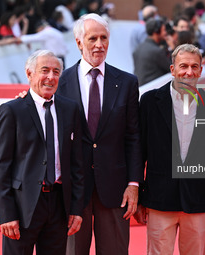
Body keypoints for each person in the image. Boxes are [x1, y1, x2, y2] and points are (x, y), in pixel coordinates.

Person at [135, 44, 205, 255]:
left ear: (201, 70)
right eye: (183, 66)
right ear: (172, 69)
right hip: (159, 201)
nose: (188, 72)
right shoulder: (149, 102)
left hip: (199, 201)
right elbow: (139, 152)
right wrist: (139, 197)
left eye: (194, 66)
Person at [58, 13, 143, 255]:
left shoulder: (127, 82)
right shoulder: (60, 84)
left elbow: (133, 137)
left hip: (116, 188)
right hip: (73, 190)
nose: (99, 44)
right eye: (92, 38)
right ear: (78, 42)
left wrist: (134, 183)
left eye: (103, 37)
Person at [0, 50, 84, 255]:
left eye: (56, 72)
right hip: (22, 206)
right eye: (45, 70)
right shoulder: (12, 110)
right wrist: (7, 214)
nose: (51, 77)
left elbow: (76, 163)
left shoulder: (70, 110)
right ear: (29, 73)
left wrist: (76, 209)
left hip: (59, 206)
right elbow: (1, 167)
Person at [133, 18, 171, 85]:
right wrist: (172, 48)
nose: (165, 33)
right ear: (156, 31)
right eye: (164, 30)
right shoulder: (157, 51)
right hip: (153, 88)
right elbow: (171, 69)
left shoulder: (138, 48)